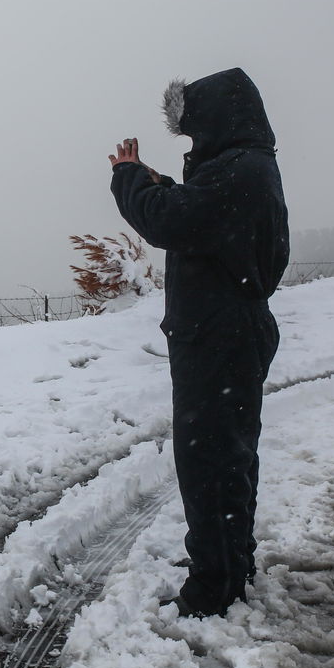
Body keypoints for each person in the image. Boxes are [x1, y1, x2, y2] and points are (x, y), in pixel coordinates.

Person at [108, 67, 289, 617]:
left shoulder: (239, 171)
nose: (192, 141)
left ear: (217, 120)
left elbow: (170, 221)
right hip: (227, 330)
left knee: (208, 461)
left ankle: (214, 588)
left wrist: (130, 180)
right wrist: (162, 181)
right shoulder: (246, 166)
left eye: (193, 129)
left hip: (218, 335)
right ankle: (230, 564)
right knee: (228, 456)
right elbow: (198, 214)